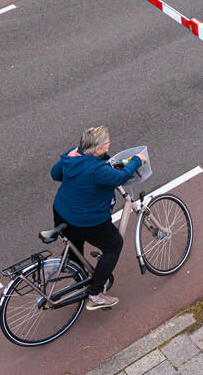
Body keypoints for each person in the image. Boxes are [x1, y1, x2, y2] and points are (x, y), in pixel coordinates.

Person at [50, 126, 143, 310]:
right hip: (85, 220)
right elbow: (121, 177)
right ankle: (95, 295)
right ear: (98, 149)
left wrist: (80, 182)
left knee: (75, 244)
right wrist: (137, 160)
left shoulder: (71, 155)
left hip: (61, 211)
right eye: (107, 144)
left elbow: (55, 174)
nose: (109, 146)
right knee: (113, 245)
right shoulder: (97, 170)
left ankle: (77, 276)